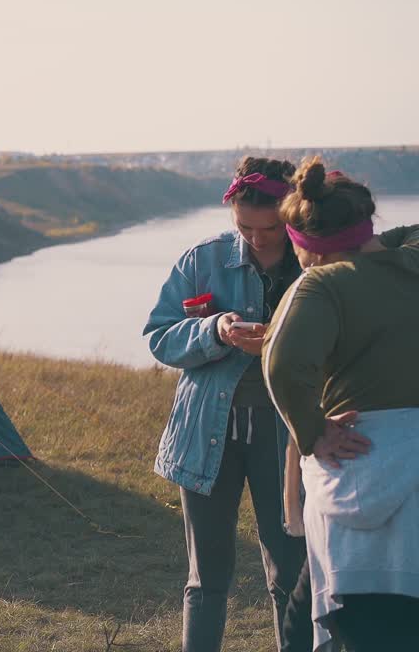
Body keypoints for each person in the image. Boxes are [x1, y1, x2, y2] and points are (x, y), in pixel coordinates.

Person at [144, 157, 309, 651]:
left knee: (290, 574)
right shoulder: (201, 260)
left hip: (287, 441)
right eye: (244, 227)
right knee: (206, 578)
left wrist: (279, 345)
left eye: (270, 228)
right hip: (207, 435)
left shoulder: (314, 264)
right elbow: (159, 337)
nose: (257, 239)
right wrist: (213, 330)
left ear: (291, 215)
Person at [263, 157, 419, 650]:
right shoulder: (411, 260)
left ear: (304, 244)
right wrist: (375, 245)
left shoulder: (321, 286)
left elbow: (282, 365)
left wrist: (314, 431)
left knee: (364, 625)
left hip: (365, 466)